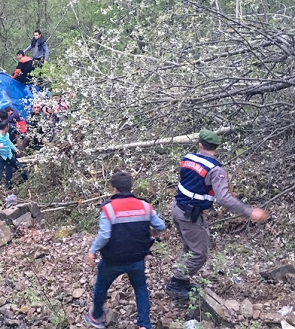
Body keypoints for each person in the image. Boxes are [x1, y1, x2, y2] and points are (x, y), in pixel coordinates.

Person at [165, 129, 269, 300]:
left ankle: (182, 280)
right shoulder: (215, 170)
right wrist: (249, 212)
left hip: (177, 208)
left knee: (189, 248)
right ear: (217, 147)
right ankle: (175, 283)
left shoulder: (188, 159)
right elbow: (224, 199)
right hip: (190, 215)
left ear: (200, 144)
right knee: (199, 254)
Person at [83, 172, 165, 329]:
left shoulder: (108, 209)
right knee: (140, 288)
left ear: (115, 189)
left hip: (112, 260)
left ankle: (96, 317)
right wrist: (151, 231)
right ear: (130, 187)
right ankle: (144, 325)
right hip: (137, 259)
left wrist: (92, 250)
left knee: (101, 285)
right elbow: (160, 226)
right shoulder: (145, 206)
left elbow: (105, 235)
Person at [0, 121, 28, 201]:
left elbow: (9, 143)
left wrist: (15, 149)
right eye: (8, 126)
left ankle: (27, 182)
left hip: (9, 155)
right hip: (1, 158)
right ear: (6, 128)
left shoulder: (7, 134)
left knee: (20, 168)